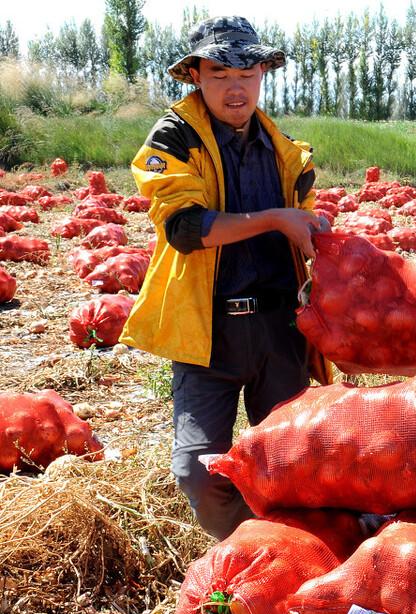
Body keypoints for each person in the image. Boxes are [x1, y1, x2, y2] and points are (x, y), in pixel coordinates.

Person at [122, 16, 331, 539]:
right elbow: (186, 228)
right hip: (207, 330)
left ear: (263, 72)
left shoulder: (286, 151)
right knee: (197, 470)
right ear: (196, 76)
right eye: (218, 73)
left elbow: (304, 228)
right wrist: (277, 218)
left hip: (280, 329)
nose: (235, 87)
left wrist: (317, 237)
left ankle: (283, 564)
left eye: (246, 71)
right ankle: (246, 545)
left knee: (288, 463)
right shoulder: (174, 138)